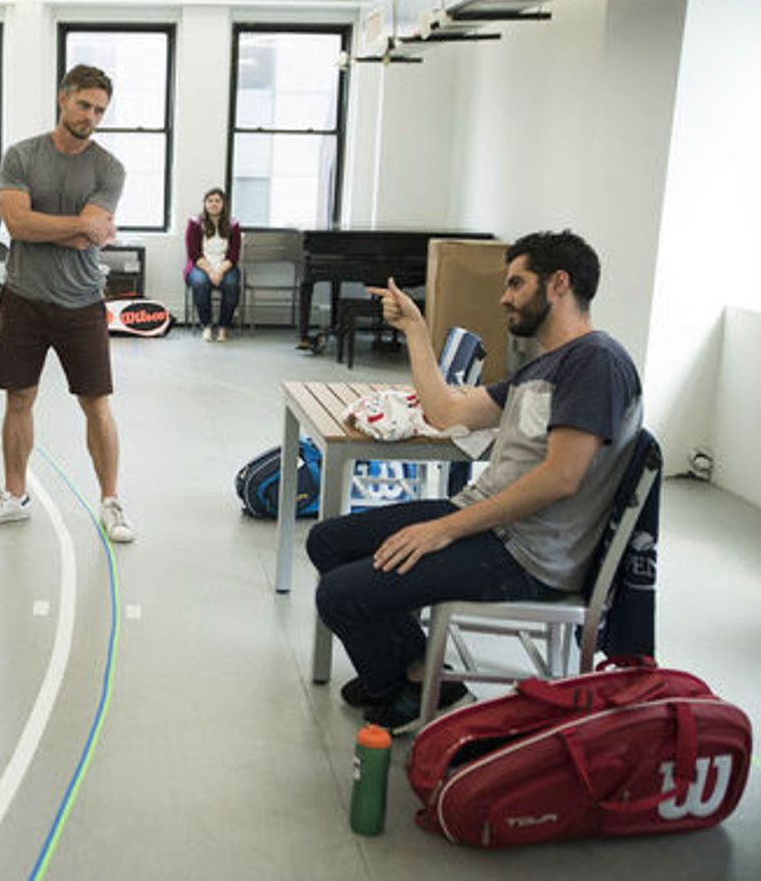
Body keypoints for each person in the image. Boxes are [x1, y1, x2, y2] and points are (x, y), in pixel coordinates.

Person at [308, 230, 642, 733]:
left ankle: (404, 688)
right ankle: (421, 673)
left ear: (558, 284)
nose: (504, 296)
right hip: (490, 521)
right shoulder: (545, 364)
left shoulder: (596, 362)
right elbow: (445, 413)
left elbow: (561, 478)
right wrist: (417, 332)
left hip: (525, 551)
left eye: (516, 282)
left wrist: (447, 528)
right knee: (328, 541)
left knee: (340, 594)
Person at [0, 64, 136, 543]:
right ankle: (14, 497)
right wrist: (77, 226)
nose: (92, 116)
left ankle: (110, 501)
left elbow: (37, 224)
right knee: (19, 399)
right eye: (84, 105)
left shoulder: (108, 168)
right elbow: (22, 228)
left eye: (100, 109)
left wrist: (30, 219)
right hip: (24, 298)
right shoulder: (21, 155)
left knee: (96, 405)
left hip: (81, 303)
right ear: (64, 98)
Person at [184, 187, 242, 342]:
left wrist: (220, 272)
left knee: (231, 285)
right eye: (210, 201)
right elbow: (194, 253)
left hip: (225, 266)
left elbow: (234, 254)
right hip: (201, 265)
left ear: (224, 204)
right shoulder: (195, 223)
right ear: (205, 204)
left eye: (217, 201)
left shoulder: (233, 224)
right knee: (200, 283)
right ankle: (207, 326)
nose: (214, 204)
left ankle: (223, 326)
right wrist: (211, 272)